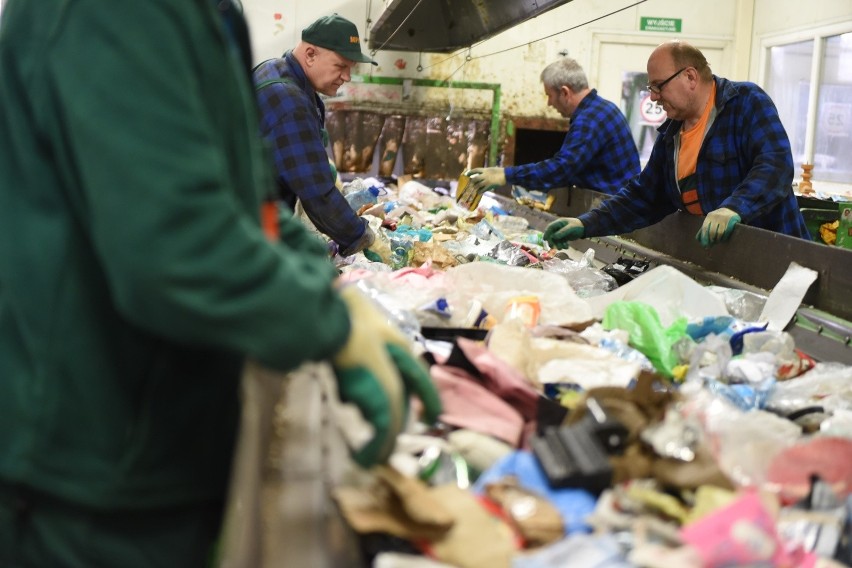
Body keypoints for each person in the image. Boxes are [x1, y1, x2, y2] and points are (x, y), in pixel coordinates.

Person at [0, 2, 440, 567]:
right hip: (86, 461)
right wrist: (328, 326)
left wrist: (327, 292)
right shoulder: (115, 13)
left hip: (152, 443)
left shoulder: (204, 17)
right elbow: (175, 244)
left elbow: (249, 200)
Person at [544, 41, 810, 249]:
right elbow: (643, 196)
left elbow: (776, 164)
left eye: (659, 86)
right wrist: (585, 222)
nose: (653, 96)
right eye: (651, 88)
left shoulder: (745, 102)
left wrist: (735, 207)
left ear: (691, 77)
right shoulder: (672, 132)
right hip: (724, 262)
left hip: (778, 261)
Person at [253, 14, 377, 257]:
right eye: (341, 66)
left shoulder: (276, 70)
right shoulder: (288, 99)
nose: (347, 77)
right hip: (245, 225)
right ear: (310, 55)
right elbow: (317, 194)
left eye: (351, 69)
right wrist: (361, 236)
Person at [466, 57, 640, 196]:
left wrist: (505, 175)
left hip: (615, 210)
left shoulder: (589, 119)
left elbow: (562, 169)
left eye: (549, 95)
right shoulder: (602, 108)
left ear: (565, 92)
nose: (549, 103)